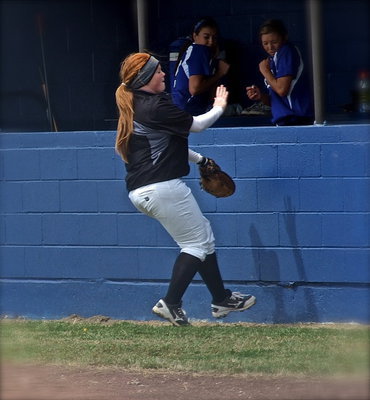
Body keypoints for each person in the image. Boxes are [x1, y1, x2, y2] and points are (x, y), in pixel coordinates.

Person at [115, 52, 256, 326]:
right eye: (158, 72)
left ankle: (221, 299)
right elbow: (198, 125)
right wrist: (219, 105)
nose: (164, 74)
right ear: (145, 78)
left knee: (203, 238)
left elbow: (169, 143)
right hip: (163, 188)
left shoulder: (138, 105)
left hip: (145, 191)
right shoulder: (154, 106)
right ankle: (171, 303)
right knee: (195, 244)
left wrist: (200, 160)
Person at [246, 19, 314, 126]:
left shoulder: (286, 51)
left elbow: (282, 90)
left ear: (284, 37)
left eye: (274, 42)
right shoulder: (272, 59)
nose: (270, 47)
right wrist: (260, 96)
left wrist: (265, 71)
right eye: (265, 43)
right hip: (286, 122)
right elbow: (275, 101)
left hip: (297, 119)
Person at [171, 17, 231, 116]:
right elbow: (195, 89)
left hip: (185, 111)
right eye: (206, 37)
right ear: (195, 36)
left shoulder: (203, 53)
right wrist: (220, 73)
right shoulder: (198, 50)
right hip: (187, 111)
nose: (211, 42)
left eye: (214, 38)